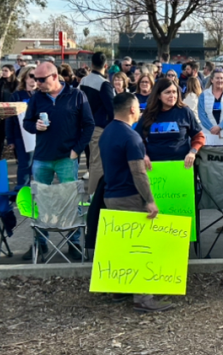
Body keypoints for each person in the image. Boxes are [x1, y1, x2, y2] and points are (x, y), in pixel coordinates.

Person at [99, 91, 172, 312]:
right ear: (132, 110)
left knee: (121, 246)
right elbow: (139, 173)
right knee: (140, 248)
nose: (139, 111)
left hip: (111, 194)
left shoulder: (106, 133)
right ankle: (143, 297)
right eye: (138, 108)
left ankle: (118, 288)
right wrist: (149, 200)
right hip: (129, 197)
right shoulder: (132, 137)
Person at [21, 61, 96, 260]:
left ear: (55, 76)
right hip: (42, 158)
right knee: (39, 201)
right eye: (35, 79)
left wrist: (76, 150)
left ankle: (74, 243)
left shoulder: (77, 95)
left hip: (66, 158)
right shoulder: (37, 98)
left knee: (70, 202)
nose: (37, 83)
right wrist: (35, 126)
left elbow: (89, 125)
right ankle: (40, 243)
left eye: (41, 79)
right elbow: (26, 123)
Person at [137, 77, 205, 170]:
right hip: (154, 167)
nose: (172, 95)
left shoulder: (185, 111)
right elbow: (137, 138)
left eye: (174, 92)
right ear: (158, 96)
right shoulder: (148, 114)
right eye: (167, 92)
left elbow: (199, 136)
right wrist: (143, 154)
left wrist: (192, 152)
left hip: (182, 166)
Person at [78, 52, 116, 193]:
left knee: (91, 162)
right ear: (106, 66)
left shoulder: (83, 81)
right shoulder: (104, 84)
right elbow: (112, 109)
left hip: (84, 127)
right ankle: (94, 196)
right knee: (97, 164)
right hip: (99, 128)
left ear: (91, 65)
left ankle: (93, 194)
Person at [7, 66, 36, 190]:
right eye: (31, 76)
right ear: (24, 78)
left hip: (40, 136)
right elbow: (9, 119)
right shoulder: (17, 96)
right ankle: (22, 191)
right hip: (21, 136)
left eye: (37, 76)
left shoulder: (43, 94)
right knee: (25, 165)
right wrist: (10, 140)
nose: (34, 79)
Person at [197, 69, 223, 147]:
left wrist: (219, 127)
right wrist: (212, 128)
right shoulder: (203, 95)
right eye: (217, 78)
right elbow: (202, 115)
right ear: (212, 80)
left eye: (221, 78)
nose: (219, 80)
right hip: (209, 134)